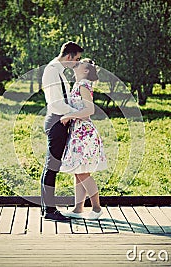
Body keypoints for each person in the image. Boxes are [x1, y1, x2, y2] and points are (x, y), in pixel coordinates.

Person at [60, 58, 108, 220]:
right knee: (78, 172)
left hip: (84, 133)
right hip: (77, 132)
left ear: (86, 70)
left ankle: (96, 208)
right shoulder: (78, 85)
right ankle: (78, 209)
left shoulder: (83, 84)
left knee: (83, 173)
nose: (76, 64)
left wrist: (69, 115)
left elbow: (89, 110)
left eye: (80, 64)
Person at [41, 41, 83, 221]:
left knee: (52, 166)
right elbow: (56, 103)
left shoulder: (58, 71)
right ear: (69, 56)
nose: (77, 63)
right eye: (77, 59)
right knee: (52, 166)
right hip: (56, 121)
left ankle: (48, 209)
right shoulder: (52, 71)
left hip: (60, 121)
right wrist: (78, 114)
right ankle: (49, 210)